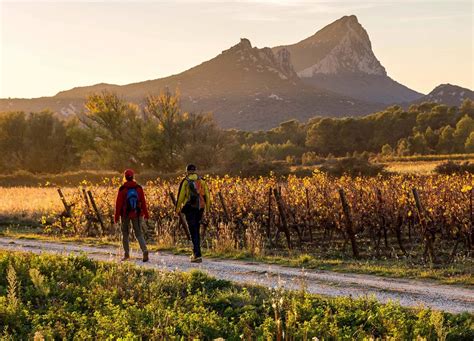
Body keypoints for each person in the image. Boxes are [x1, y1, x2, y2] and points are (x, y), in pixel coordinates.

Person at [175, 164, 210, 263]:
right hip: (200, 208)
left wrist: (177, 209)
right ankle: (196, 253)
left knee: (193, 230)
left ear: (187, 171)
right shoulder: (202, 181)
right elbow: (207, 195)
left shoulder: (185, 181)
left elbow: (181, 196)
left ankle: (197, 255)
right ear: (195, 171)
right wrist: (207, 209)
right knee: (196, 230)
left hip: (189, 208)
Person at [114, 169, 149, 262]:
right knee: (139, 234)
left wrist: (116, 217)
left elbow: (118, 205)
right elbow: (143, 202)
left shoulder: (122, 189)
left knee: (125, 234)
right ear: (133, 177)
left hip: (125, 214)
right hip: (137, 214)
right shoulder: (139, 188)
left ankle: (126, 255)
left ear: (125, 177)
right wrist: (146, 214)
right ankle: (145, 250)